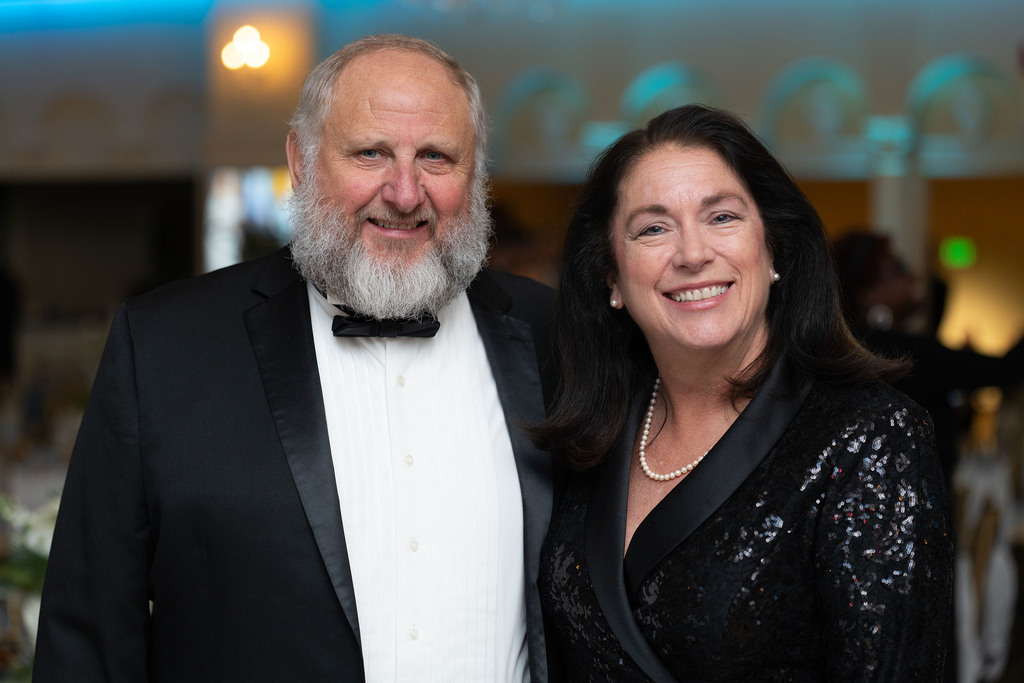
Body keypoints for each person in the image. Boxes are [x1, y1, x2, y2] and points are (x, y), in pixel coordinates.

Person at [34, 34, 557, 682]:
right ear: (302, 160)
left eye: (436, 156)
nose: (402, 189)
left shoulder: (550, 334)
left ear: (476, 175)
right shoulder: (166, 347)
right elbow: (86, 636)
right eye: (370, 152)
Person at [532, 104, 953, 681]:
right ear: (612, 277)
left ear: (773, 247)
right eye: (653, 228)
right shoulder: (592, 435)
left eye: (722, 217)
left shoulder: (867, 436)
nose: (693, 253)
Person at [833, 228, 1024, 481]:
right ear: (868, 293)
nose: (911, 275)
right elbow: (1007, 370)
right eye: (898, 268)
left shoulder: (864, 345)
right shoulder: (893, 351)